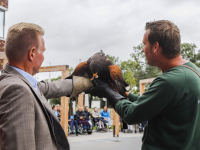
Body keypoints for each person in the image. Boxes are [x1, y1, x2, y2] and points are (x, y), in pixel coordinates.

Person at [87, 20, 200, 149]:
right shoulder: (194, 73)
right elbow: (151, 103)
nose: (142, 49)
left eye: (144, 44)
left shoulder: (171, 81)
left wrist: (107, 91)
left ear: (155, 47)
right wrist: (124, 93)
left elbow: (132, 114)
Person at [0, 22, 93, 150]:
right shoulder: (18, 90)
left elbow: (52, 87)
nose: (43, 56)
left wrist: (89, 82)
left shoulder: (14, 82)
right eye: (42, 51)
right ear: (32, 53)